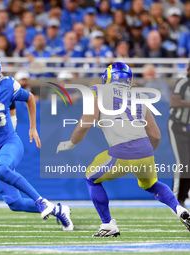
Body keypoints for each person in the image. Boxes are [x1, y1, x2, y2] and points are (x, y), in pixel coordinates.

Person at [56, 62, 190, 236]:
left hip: (121, 151)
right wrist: (147, 153)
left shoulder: (98, 90)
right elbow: (155, 135)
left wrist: (70, 143)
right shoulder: (139, 95)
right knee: (152, 185)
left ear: (108, 77)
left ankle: (108, 225)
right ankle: (180, 209)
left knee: (91, 177)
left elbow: (85, 123)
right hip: (144, 149)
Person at [0, 57, 73, 231]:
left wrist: (33, 127)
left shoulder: (7, 85)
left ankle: (40, 201)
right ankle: (58, 210)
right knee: (14, 203)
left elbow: (30, 97)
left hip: (8, 141)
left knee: (2, 170)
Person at [168, 65, 190, 208]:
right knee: (182, 162)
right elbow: (174, 102)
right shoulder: (184, 82)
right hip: (177, 125)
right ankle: (175, 199)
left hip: (188, 127)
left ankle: (183, 196)